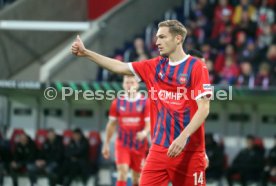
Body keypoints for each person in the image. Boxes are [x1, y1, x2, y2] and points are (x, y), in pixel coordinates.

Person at [72, 19, 212, 186]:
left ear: (178, 38)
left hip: (189, 151)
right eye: (156, 37)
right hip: (159, 150)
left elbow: (204, 109)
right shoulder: (154, 66)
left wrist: (183, 137)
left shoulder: (196, 67)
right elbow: (119, 67)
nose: (157, 42)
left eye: (162, 37)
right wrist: (87, 53)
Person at [102, 75, 150, 186]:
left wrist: (144, 133)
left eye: (132, 82)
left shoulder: (145, 101)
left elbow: (149, 123)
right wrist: (106, 144)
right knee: (122, 172)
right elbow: (111, 125)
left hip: (140, 145)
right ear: (123, 85)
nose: (129, 85)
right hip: (123, 144)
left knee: (136, 179)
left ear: (137, 85)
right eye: (127, 83)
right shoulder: (117, 102)